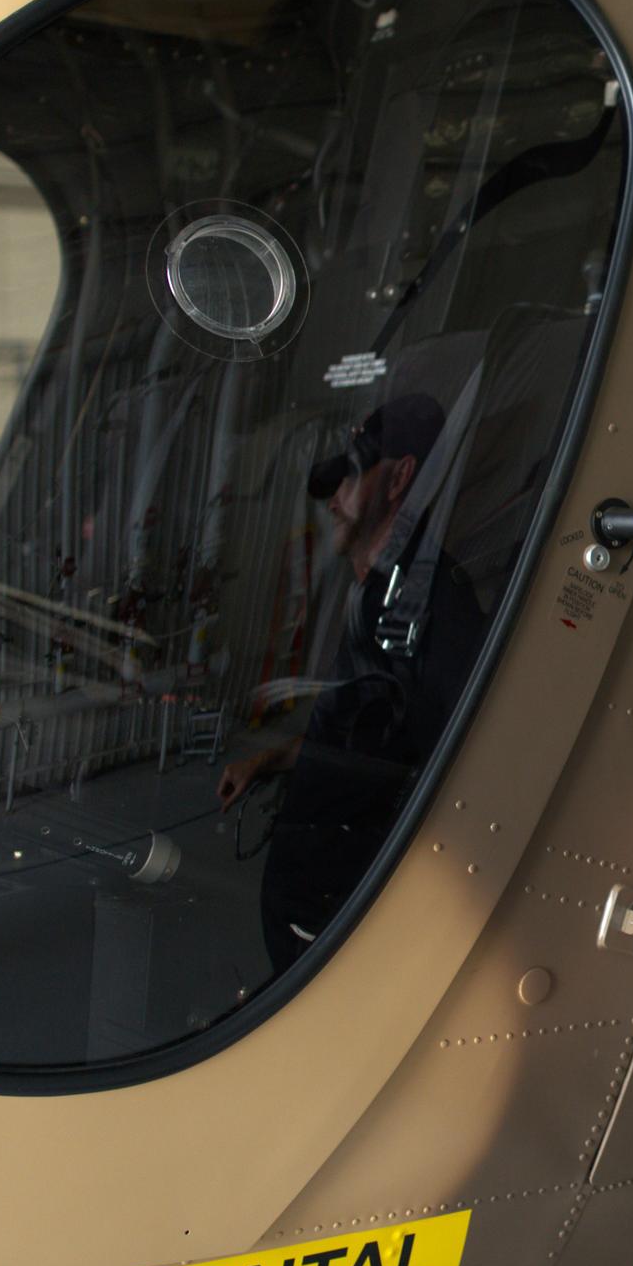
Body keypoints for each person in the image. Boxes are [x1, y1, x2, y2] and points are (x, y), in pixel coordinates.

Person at [219, 391, 485, 972]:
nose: (335, 500)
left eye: (352, 477)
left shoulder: (430, 605)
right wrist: (269, 761)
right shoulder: (372, 594)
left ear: (399, 480)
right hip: (310, 903)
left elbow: (448, 762)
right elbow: (360, 726)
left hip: (350, 913)